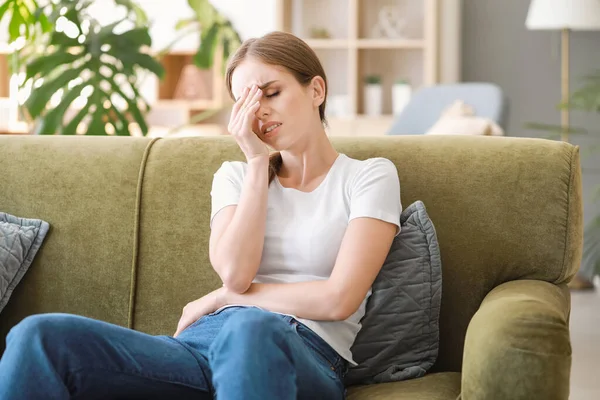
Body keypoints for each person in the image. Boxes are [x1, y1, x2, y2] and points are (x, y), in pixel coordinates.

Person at [0, 31, 401, 400]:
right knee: (38, 336)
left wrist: (225, 298)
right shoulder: (236, 176)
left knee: (251, 327)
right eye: (245, 102)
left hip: (305, 352)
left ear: (316, 89)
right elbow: (236, 274)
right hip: (205, 343)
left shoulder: (368, 176)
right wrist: (257, 166)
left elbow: (338, 299)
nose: (257, 112)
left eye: (271, 93)